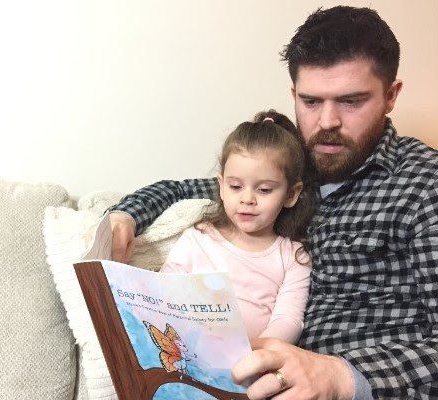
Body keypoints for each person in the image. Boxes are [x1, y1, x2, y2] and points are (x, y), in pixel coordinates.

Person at [107, 6, 438, 400]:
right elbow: (185, 189)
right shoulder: (283, 165)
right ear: (293, 94)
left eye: (351, 101)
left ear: (391, 96)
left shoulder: (425, 185)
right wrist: (125, 216)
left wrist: (342, 377)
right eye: (311, 102)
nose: (327, 122)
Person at [160, 110, 316, 345]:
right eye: (235, 186)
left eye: (264, 190)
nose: (247, 199)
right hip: (186, 353)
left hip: (250, 367)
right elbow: (163, 294)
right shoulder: (198, 238)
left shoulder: (293, 257)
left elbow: (288, 320)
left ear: (291, 194)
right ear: (222, 186)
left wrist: (251, 354)